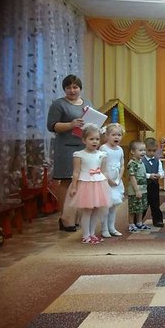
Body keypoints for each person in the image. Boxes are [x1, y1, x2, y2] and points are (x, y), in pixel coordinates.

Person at [47, 74, 93, 232]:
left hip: (84, 147)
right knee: (67, 181)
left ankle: (77, 217)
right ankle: (65, 218)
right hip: (66, 148)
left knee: (81, 181)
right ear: (64, 89)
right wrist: (71, 124)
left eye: (75, 87)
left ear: (80, 88)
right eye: (68, 87)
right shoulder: (58, 104)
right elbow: (52, 126)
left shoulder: (87, 103)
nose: (72, 90)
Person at [66, 124, 111, 244]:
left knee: (96, 210)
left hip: (98, 184)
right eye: (91, 139)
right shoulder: (79, 155)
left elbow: (104, 171)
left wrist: (106, 184)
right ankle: (85, 235)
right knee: (87, 211)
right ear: (84, 140)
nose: (95, 141)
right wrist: (74, 186)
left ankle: (92, 233)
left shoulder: (102, 154)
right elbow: (76, 172)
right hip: (85, 185)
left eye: (97, 139)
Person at [99, 124, 126, 238]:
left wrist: (119, 178)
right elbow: (102, 167)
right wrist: (109, 180)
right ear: (107, 135)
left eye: (119, 135)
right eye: (113, 135)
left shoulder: (120, 149)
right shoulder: (103, 148)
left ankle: (112, 227)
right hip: (106, 181)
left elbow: (122, 165)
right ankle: (104, 228)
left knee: (113, 206)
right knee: (106, 206)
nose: (116, 137)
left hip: (116, 181)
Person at [125, 141, 150, 232]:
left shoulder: (141, 162)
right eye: (140, 150)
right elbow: (132, 177)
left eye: (144, 150)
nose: (143, 152)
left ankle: (139, 223)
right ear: (132, 151)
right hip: (134, 191)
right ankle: (131, 224)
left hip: (143, 189)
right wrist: (137, 190)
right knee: (133, 208)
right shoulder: (132, 163)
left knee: (141, 207)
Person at [142, 138, 165, 228]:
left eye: (154, 151)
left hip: (154, 185)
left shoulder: (157, 160)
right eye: (149, 150)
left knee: (155, 203)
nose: (151, 153)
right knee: (144, 204)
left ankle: (158, 220)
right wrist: (149, 176)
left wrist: (159, 175)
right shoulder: (141, 160)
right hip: (144, 185)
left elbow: (162, 172)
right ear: (144, 149)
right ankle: (138, 221)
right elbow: (140, 173)